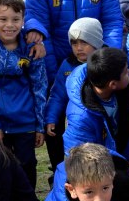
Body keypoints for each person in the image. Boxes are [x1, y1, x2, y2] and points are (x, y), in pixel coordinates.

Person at [25, 0, 122, 167]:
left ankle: (98, 170)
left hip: (94, 65)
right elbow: (38, 23)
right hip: (58, 63)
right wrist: (52, 70)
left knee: (93, 120)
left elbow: (112, 19)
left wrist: (105, 61)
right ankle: (60, 171)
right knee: (56, 121)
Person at [0, 0, 48, 189]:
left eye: (16, 19)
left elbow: (39, 87)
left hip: (25, 123)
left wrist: (39, 125)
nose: (9, 25)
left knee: (27, 167)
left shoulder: (31, 47)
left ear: (23, 20)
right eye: (3, 19)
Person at [63, 47, 129, 163]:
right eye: (126, 72)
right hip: (99, 166)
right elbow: (80, 159)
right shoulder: (80, 117)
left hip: (127, 152)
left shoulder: (127, 88)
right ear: (112, 84)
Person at [44, 17, 104, 155]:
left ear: (96, 41)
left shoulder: (107, 62)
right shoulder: (67, 65)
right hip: (77, 123)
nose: (78, 48)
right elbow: (58, 95)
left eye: (84, 42)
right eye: (74, 43)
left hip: (103, 120)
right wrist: (51, 118)